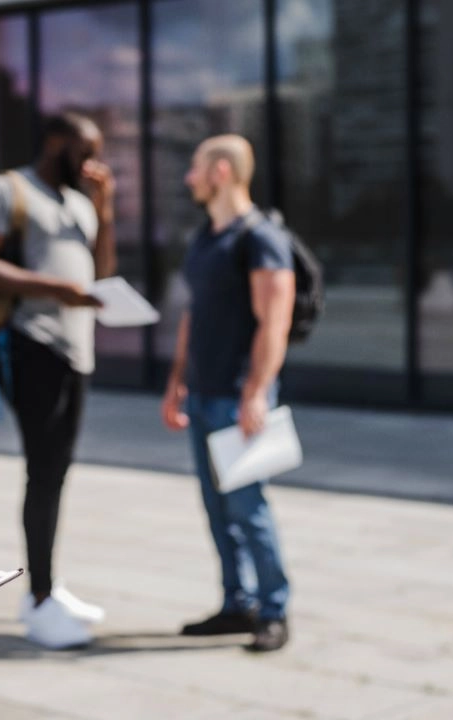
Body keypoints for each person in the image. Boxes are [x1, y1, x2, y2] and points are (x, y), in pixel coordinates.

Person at [0, 112, 117, 649]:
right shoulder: (8, 190)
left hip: (77, 351)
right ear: (55, 142)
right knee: (44, 470)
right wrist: (55, 290)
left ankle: (50, 587)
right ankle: (40, 602)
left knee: (58, 472)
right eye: (84, 150)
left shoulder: (78, 202)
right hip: (34, 347)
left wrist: (106, 210)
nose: (92, 162)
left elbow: (101, 274)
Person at [160, 134, 295, 652]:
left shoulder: (262, 238)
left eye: (195, 168)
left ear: (220, 171)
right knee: (217, 508)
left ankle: (275, 609)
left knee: (248, 508)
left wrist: (256, 393)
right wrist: (177, 379)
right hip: (202, 393)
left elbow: (274, 323)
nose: (189, 178)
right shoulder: (206, 237)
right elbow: (194, 314)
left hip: (239, 398)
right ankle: (236, 603)